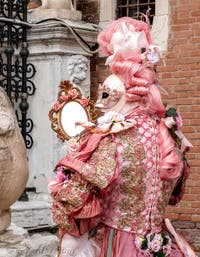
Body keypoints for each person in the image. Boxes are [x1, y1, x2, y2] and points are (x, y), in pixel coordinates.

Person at [48, 16, 195, 257]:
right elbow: (174, 196)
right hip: (159, 243)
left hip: (115, 245)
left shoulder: (110, 137)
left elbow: (76, 207)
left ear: (118, 93)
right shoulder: (170, 134)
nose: (99, 103)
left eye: (104, 94)